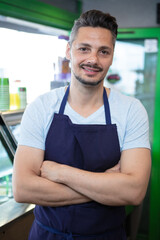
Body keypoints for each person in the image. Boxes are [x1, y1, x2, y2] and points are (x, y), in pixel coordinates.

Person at [12, 9, 151, 240]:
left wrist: (61, 172)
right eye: (84, 48)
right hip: (48, 235)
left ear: (112, 55)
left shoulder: (130, 110)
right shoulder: (42, 107)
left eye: (103, 51)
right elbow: (23, 189)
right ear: (69, 50)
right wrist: (106, 185)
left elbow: (134, 192)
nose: (93, 60)